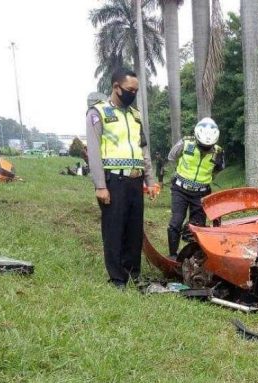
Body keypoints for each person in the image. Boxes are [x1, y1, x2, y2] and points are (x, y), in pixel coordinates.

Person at [86, 68, 160, 289]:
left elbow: (143, 150)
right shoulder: (98, 113)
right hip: (114, 181)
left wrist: (150, 179)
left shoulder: (135, 115)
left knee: (134, 229)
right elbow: (94, 151)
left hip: (135, 181)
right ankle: (117, 277)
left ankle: (133, 272)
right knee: (114, 229)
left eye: (136, 90)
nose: (133, 94)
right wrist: (100, 185)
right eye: (129, 90)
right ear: (116, 87)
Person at [165, 118, 225, 258]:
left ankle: (194, 256)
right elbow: (171, 156)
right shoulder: (185, 143)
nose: (206, 148)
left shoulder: (218, 152)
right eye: (203, 145)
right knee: (176, 222)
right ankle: (173, 255)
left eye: (208, 146)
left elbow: (219, 168)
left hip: (201, 194)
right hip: (180, 190)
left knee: (198, 226)